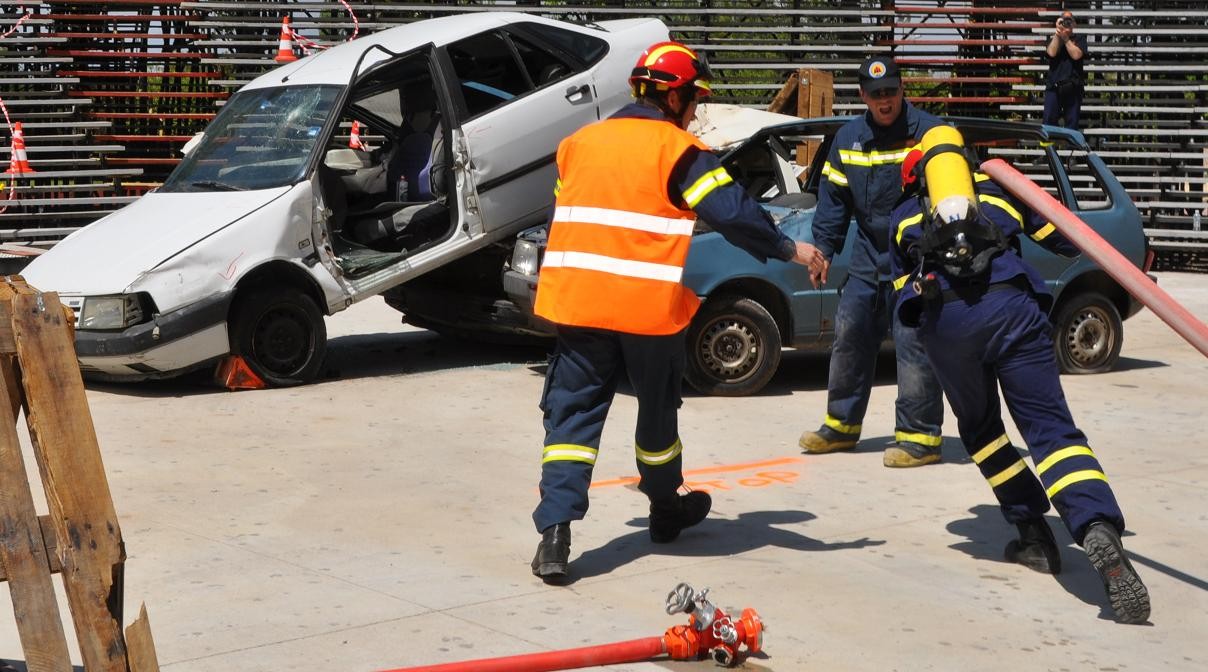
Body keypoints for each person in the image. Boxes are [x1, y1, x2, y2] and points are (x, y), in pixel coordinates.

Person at [530, 41, 827, 584]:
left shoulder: (578, 144)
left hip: (578, 304)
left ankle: (554, 535)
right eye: (694, 101)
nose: (695, 113)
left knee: (571, 419)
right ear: (673, 97)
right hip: (645, 309)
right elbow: (731, 211)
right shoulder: (679, 150)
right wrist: (791, 249)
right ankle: (666, 509)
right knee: (657, 415)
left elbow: (565, 217)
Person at [887, 125, 1150, 624]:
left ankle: (1033, 536)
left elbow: (904, 286)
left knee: (983, 433)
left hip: (948, 325)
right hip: (1012, 308)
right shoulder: (1000, 191)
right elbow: (1066, 240)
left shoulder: (904, 216)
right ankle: (1095, 524)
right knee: (1052, 432)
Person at [798, 56, 947, 468]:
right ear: (863, 95)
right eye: (876, 94)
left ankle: (920, 438)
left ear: (903, 90)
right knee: (850, 335)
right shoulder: (848, 139)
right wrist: (823, 250)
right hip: (868, 256)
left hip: (915, 257)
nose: (885, 100)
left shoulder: (929, 133)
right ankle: (841, 427)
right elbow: (833, 204)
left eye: (891, 92)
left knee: (913, 343)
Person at [1043, 10, 1088, 130]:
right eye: (1064, 20)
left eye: (1069, 20)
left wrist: (1066, 39)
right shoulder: (1053, 39)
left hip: (1073, 86)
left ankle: (1069, 142)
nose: (1067, 23)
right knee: (1048, 122)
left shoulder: (1080, 39)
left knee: (1072, 124)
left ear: (1074, 24)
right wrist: (1058, 34)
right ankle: (1050, 143)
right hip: (1054, 86)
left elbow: (1076, 55)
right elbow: (1051, 53)